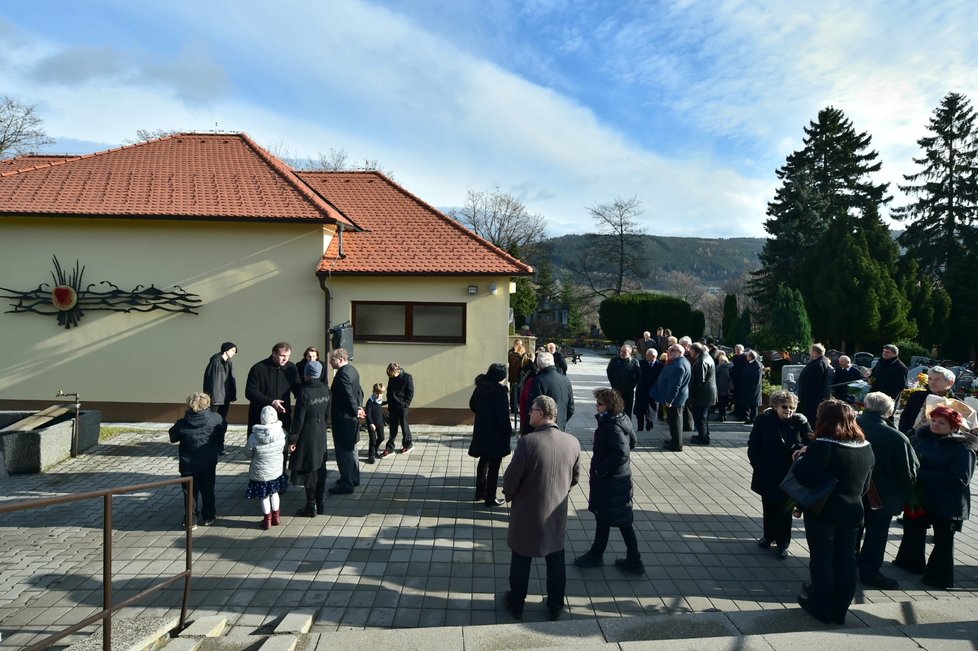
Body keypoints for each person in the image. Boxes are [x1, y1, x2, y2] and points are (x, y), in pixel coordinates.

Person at [793, 399, 874, 625]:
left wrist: (799, 458)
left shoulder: (823, 446)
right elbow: (866, 485)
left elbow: (805, 476)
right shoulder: (866, 446)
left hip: (824, 510)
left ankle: (821, 606)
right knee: (846, 560)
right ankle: (840, 609)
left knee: (822, 559)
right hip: (853, 510)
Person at [502, 395, 581, 621]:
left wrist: (511, 496)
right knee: (556, 559)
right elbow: (574, 478)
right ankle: (555, 605)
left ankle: (516, 602)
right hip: (556, 513)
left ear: (542, 413)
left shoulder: (528, 442)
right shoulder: (572, 442)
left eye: (531, 410)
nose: (528, 414)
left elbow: (510, 480)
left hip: (527, 512)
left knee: (521, 560)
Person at [893, 405, 977, 589]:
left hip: (947, 502)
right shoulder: (921, 438)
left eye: (941, 422)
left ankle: (939, 577)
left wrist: (920, 474)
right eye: (933, 420)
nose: (935, 425)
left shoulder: (963, 448)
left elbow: (960, 479)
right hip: (920, 497)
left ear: (954, 426)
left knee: (943, 541)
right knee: (913, 530)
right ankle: (910, 563)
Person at [574, 388, 644, 574]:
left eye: (600, 403)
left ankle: (624, 558)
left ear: (609, 406)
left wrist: (601, 469)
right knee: (612, 518)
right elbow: (632, 442)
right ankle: (621, 557)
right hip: (617, 481)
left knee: (614, 518)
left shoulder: (612, 425)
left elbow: (621, 452)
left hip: (612, 482)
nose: (596, 406)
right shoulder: (620, 419)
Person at [855, 392, 918, 589]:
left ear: (865, 405)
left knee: (852, 531)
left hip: (851, 491)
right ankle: (870, 572)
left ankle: (846, 565)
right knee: (876, 534)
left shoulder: (849, 425)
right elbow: (908, 474)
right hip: (882, 496)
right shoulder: (896, 437)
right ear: (890, 412)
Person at [747, 390, 811, 559]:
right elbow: (754, 444)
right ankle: (768, 536)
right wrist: (757, 465)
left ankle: (783, 543)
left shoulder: (800, 422)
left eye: (792, 407)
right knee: (768, 506)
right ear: (775, 406)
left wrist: (800, 451)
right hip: (768, 471)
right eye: (785, 407)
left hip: (789, 473)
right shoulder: (764, 420)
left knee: (785, 510)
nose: (789, 410)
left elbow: (811, 443)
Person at [169, 392, 227, 528]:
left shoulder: (183, 423)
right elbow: (222, 430)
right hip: (208, 462)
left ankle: (191, 520)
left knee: (189, 493)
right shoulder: (215, 418)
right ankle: (209, 515)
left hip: (188, 464)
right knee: (208, 489)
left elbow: (172, 436)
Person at [289, 359, 330, 516]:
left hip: (307, 433)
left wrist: (293, 439)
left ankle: (310, 506)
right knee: (320, 467)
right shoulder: (326, 389)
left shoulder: (304, 391)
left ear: (306, 374)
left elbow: (298, 419)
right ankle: (320, 504)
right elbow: (328, 414)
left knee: (309, 469)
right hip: (320, 431)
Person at [468, 363, 512, 507]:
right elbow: (503, 417)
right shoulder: (500, 392)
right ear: (501, 377)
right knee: (494, 466)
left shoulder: (480, 388)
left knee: (483, 461)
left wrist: (482, 415)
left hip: (482, 430)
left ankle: (480, 492)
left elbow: (472, 404)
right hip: (496, 434)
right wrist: (507, 431)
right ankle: (490, 497)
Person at [245, 405, 289, 529]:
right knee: (274, 493)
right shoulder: (282, 432)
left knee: (263, 496)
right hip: (275, 470)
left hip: (260, 473)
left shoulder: (254, 436)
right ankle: (276, 517)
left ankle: (267, 519)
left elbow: (247, 453)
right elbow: (285, 448)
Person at [329, 348, 365, 494]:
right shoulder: (353, 370)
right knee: (352, 450)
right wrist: (359, 407)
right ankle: (354, 478)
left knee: (343, 452)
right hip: (351, 419)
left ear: (340, 359)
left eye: (332, 359)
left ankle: (346, 483)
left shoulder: (342, 374)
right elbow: (359, 391)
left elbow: (348, 395)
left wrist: (355, 409)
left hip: (343, 419)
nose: (331, 362)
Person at [245, 342, 299, 436]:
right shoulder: (258, 368)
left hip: (283, 414)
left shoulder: (291, 368)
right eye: (282, 355)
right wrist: (271, 402)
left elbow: (298, 388)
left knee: (282, 446)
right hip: (260, 414)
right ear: (274, 353)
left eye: (288, 356)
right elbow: (250, 392)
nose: (285, 359)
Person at [651, 344, 691, 452]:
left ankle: (677, 444)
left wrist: (670, 400)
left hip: (675, 399)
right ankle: (674, 440)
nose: (669, 352)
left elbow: (675, 385)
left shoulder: (679, 365)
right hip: (676, 398)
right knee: (673, 421)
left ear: (679, 352)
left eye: (672, 350)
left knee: (675, 422)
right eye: (669, 350)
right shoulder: (680, 361)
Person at [898, 366, 956, 434]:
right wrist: (904, 433)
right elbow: (905, 417)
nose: (932, 382)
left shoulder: (955, 403)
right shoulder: (917, 396)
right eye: (930, 379)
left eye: (937, 380)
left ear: (950, 383)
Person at [203, 341, 237, 455]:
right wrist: (214, 399)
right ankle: (212, 446)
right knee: (214, 423)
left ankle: (219, 446)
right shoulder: (216, 362)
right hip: (216, 400)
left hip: (225, 398)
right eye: (233, 350)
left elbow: (231, 381)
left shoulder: (228, 363)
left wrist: (231, 395)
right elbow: (213, 382)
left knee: (221, 423)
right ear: (226, 350)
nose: (234, 352)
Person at [528, 351, 575, 431]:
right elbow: (571, 407)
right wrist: (561, 421)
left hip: (544, 428)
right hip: (560, 426)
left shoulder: (539, 381)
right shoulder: (565, 380)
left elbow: (534, 407)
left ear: (539, 365)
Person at [797, 344, 834, 425]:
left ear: (815, 352)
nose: (810, 353)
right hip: (810, 397)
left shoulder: (819, 364)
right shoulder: (820, 361)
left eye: (811, 351)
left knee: (810, 420)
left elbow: (814, 383)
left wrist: (804, 394)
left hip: (812, 399)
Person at [689, 342, 717, 446]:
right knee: (702, 416)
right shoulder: (706, 357)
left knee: (700, 416)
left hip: (703, 395)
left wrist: (691, 390)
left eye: (690, 350)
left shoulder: (701, 361)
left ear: (694, 350)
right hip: (707, 393)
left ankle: (703, 437)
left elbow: (700, 380)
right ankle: (703, 434)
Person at [384, 362, 414, 455]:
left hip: (402, 407)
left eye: (392, 375)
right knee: (392, 427)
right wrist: (389, 400)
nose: (391, 377)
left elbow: (410, 393)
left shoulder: (407, 377)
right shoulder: (391, 377)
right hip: (392, 406)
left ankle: (408, 445)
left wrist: (405, 404)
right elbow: (389, 390)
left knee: (404, 426)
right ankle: (389, 448)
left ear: (397, 370)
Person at [607, 344, 641, 420]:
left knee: (628, 410)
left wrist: (632, 385)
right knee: (616, 409)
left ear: (630, 352)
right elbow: (609, 372)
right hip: (617, 389)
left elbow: (639, 376)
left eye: (624, 352)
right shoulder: (614, 360)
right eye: (621, 351)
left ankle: (627, 426)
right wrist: (613, 383)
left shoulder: (634, 362)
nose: (622, 353)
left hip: (628, 390)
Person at [635, 348, 662, 432]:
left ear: (653, 356)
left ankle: (649, 428)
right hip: (641, 391)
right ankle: (640, 428)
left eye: (648, 355)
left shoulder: (660, 365)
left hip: (653, 392)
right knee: (640, 412)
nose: (646, 357)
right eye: (646, 355)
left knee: (651, 412)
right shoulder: (640, 363)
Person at [736, 350, 764, 424]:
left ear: (751, 357)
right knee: (748, 403)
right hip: (746, 387)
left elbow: (756, 379)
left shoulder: (757, 365)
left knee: (753, 405)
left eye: (748, 356)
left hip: (753, 388)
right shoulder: (748, 364)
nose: (746, 357)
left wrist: (751, 385)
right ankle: (747, 417)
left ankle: (753, 419)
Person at [508, 339, 532, 411]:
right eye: (518, 344)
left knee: (517, 393)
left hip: (519, 376)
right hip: (514, 376)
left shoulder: (522, 355)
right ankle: (514, 407)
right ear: (515, 344)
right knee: (514, 393)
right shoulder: (512, 353)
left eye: (521, 344)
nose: (520, 346)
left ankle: (516, 407)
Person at [364, 383, 385, 464]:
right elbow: (367, 414)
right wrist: (371, 423)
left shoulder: (379, 400)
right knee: (372, 440)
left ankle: (376, 449)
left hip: (380, 423)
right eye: (377, 393)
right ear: (373, 392)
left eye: (381, 393)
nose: (379, 395)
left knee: (381, 438)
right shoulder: (370, 401)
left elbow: (380, 404)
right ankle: (371, 455)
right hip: (372, 424)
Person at [715, 351, 733, 423]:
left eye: (721, 360)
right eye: (719, 360)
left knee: (721, 404)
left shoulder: (720, 368)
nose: (720, 361)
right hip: (727, 388)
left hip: (720, 387)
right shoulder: (730, 367)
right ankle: (723, 416)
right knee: (724, 403)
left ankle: (721, 416)